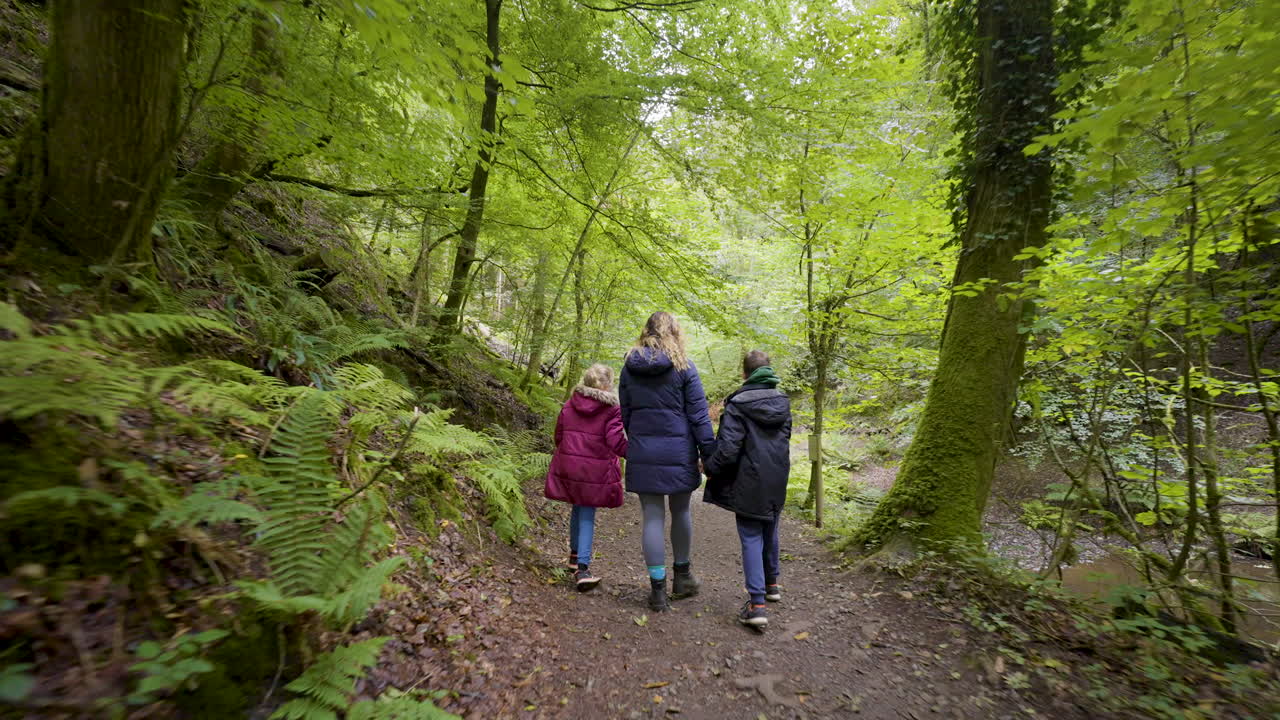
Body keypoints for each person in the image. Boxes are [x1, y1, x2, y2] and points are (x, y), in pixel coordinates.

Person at [619, 311, 716, 611]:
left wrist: (639, 438)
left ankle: (658, 591)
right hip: (678, 451)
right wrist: (709, 454)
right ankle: (682, 578)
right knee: (681, 510)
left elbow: (626, 413)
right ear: (675, 333)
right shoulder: (684, 367)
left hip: (644, 449)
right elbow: (699, 416)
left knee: (652, 516)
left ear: (646, 331)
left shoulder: (629, 367)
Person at [704, 350, 792, 628]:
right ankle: (772, 584)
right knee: (770, 527)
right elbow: (785, 437)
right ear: (769, 370)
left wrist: (709, 466)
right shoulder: (783, 401)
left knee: (752, 535)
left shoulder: (738, 404)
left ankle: (757, 605)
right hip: (778, 475)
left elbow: (728, 450)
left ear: (744, 373)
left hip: (749, 479)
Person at [545, 364, 629, 592]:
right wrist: (635, 452)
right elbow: (615, 442)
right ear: (606, 384)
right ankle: (583, 569)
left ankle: (573, 556)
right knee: (587, 514)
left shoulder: (570, 403)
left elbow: (559, 435)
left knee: (578, 507)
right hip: (594, 469)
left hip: (570, 465)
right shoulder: (611, 408)